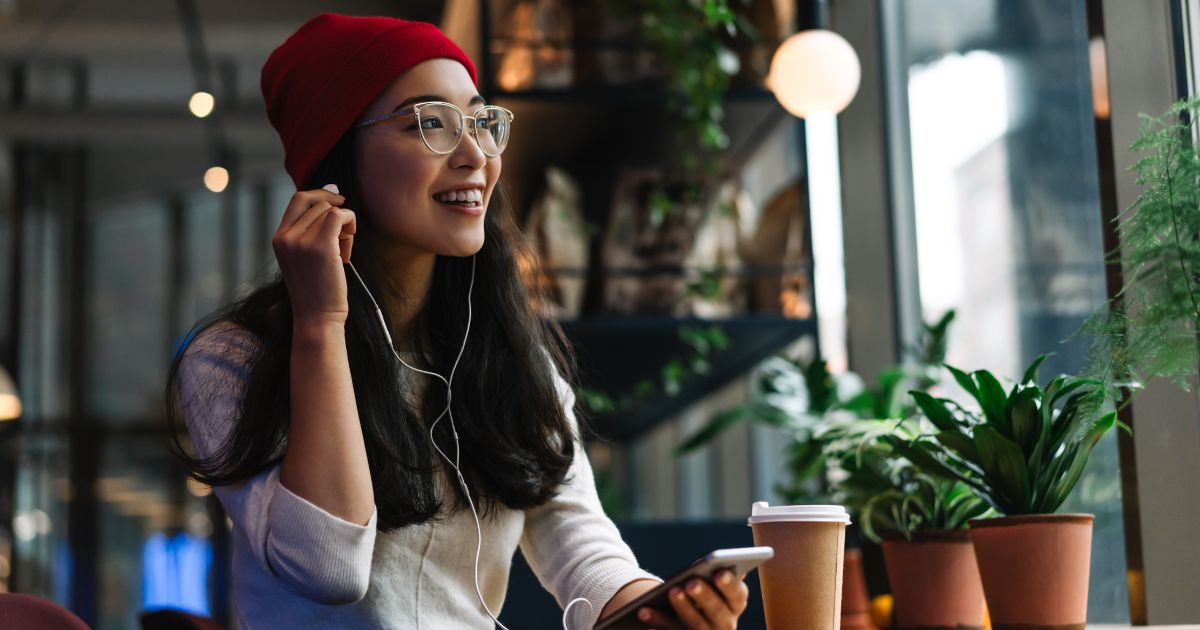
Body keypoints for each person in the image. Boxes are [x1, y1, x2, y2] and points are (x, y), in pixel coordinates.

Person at [166, 13, 750, 630]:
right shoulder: (232, 360)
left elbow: (585, 553)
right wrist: (321, 323)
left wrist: (666, 607)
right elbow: (328, 569)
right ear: (335, 160)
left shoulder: (508, 356)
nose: (476, 155)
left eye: (481, 122)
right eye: (430, 124)